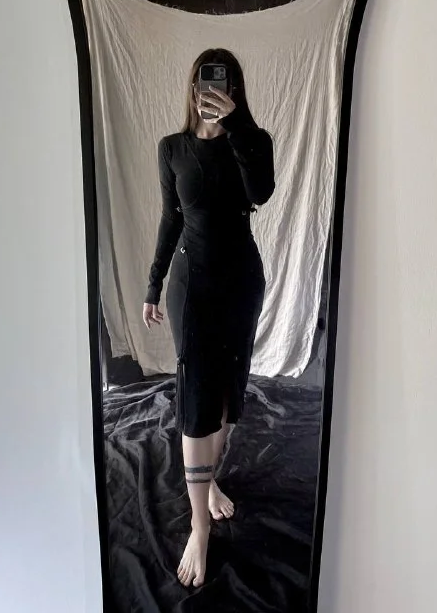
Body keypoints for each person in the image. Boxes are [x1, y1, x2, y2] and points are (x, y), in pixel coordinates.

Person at [143, 48, 275, 588]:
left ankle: (209, 480)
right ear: (193, 87)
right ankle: (199, 525)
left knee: (225, 395)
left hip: (241, 283)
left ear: (236, 89)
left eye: (225, 82)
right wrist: (152, 284)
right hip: (192, 286)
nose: (215, 90)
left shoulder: (254, 140)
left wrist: (236, 124)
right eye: (206, 81)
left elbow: (260, 191)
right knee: (197, 397)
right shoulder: (172, 148)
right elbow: (169, 218)